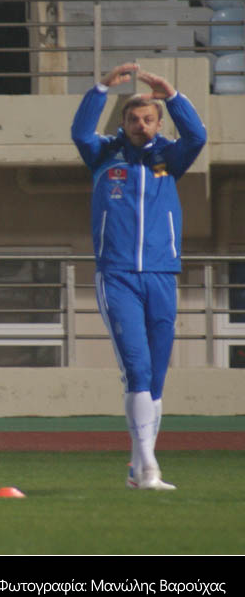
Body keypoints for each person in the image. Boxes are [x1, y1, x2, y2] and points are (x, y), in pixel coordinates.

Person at [71, 62, 206, 491]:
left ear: (158, 123)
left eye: (148, 119)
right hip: (117, 276)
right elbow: (80, 132)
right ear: (124, 122)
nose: (141, 125)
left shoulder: (169, 157)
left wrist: (174, 96)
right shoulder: (104, 154)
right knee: (137, 369)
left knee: (156, 378)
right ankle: (149, 466)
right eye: (133, 119)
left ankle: (137, 468)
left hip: (163, 274)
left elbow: (197, 137)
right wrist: (100, 90)